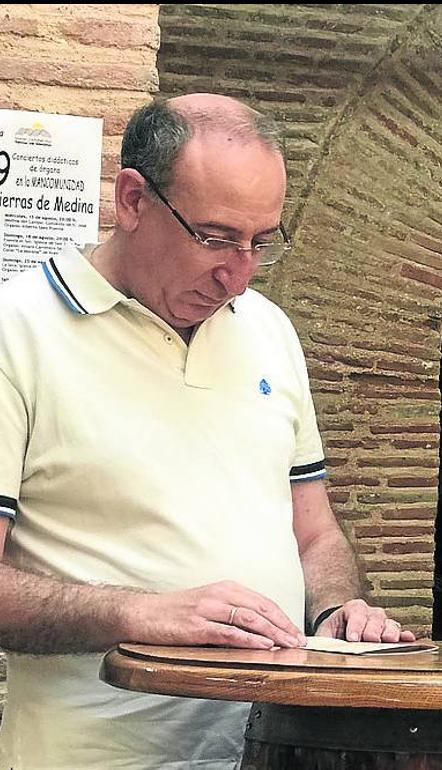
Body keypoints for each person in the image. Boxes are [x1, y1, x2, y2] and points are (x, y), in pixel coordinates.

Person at [0, 94, 414, 769]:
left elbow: (313, 532)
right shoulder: (15, 331)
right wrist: (135, 615)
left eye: (261, 242)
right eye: (215, 237)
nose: (239, 274)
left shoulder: (269, 331)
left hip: (268, 749)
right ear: (132, 199)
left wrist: (337, 607)